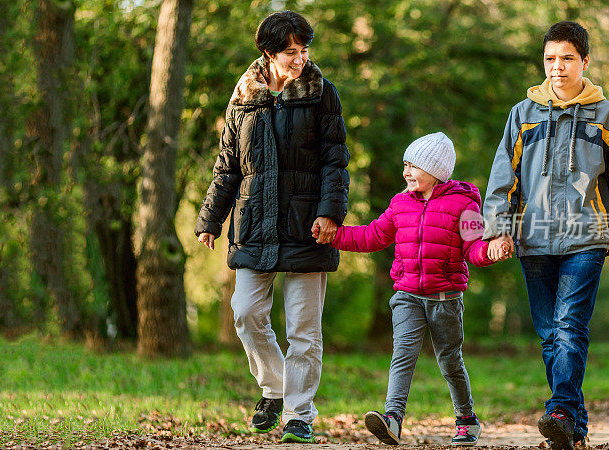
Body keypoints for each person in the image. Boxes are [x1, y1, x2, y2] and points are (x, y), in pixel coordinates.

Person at [483, 21, 609, 449]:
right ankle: (572, 420)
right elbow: (503, 179)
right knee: (550, 333)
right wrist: (499, 230)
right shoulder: (522, 114)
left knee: (569, 325)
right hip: (532, 238)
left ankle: (558, 408)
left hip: (587, 237)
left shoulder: (608, 115)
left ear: (585, 62)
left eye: (567, 58)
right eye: (550, 58)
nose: (557, 67)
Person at [195, 10, 350, 444]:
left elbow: (336, 161)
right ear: (268, 52)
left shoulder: (323, 95)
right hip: (254, 223)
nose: (300, 59)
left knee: (304, 328)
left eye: (305, 51)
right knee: (245, 312)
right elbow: (228, 165)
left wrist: (330, 213)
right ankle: (275, 386)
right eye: (291, 52)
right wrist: (211, 218)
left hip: (307, 225)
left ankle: (299, 414)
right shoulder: (244, 97)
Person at [319, 132, 504, 446]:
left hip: (445, 297)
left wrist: (490, 251)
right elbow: (371, 237)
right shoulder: (400, 203)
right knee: (403, 354)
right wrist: (334, 236)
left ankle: (466, 419)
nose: (406, 171)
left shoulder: (466, 204)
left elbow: (473, 248)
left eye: (414, 165)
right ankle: (393, 418)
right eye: (405, 164)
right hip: (407, 295)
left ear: (436, 170)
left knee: (449, 360)